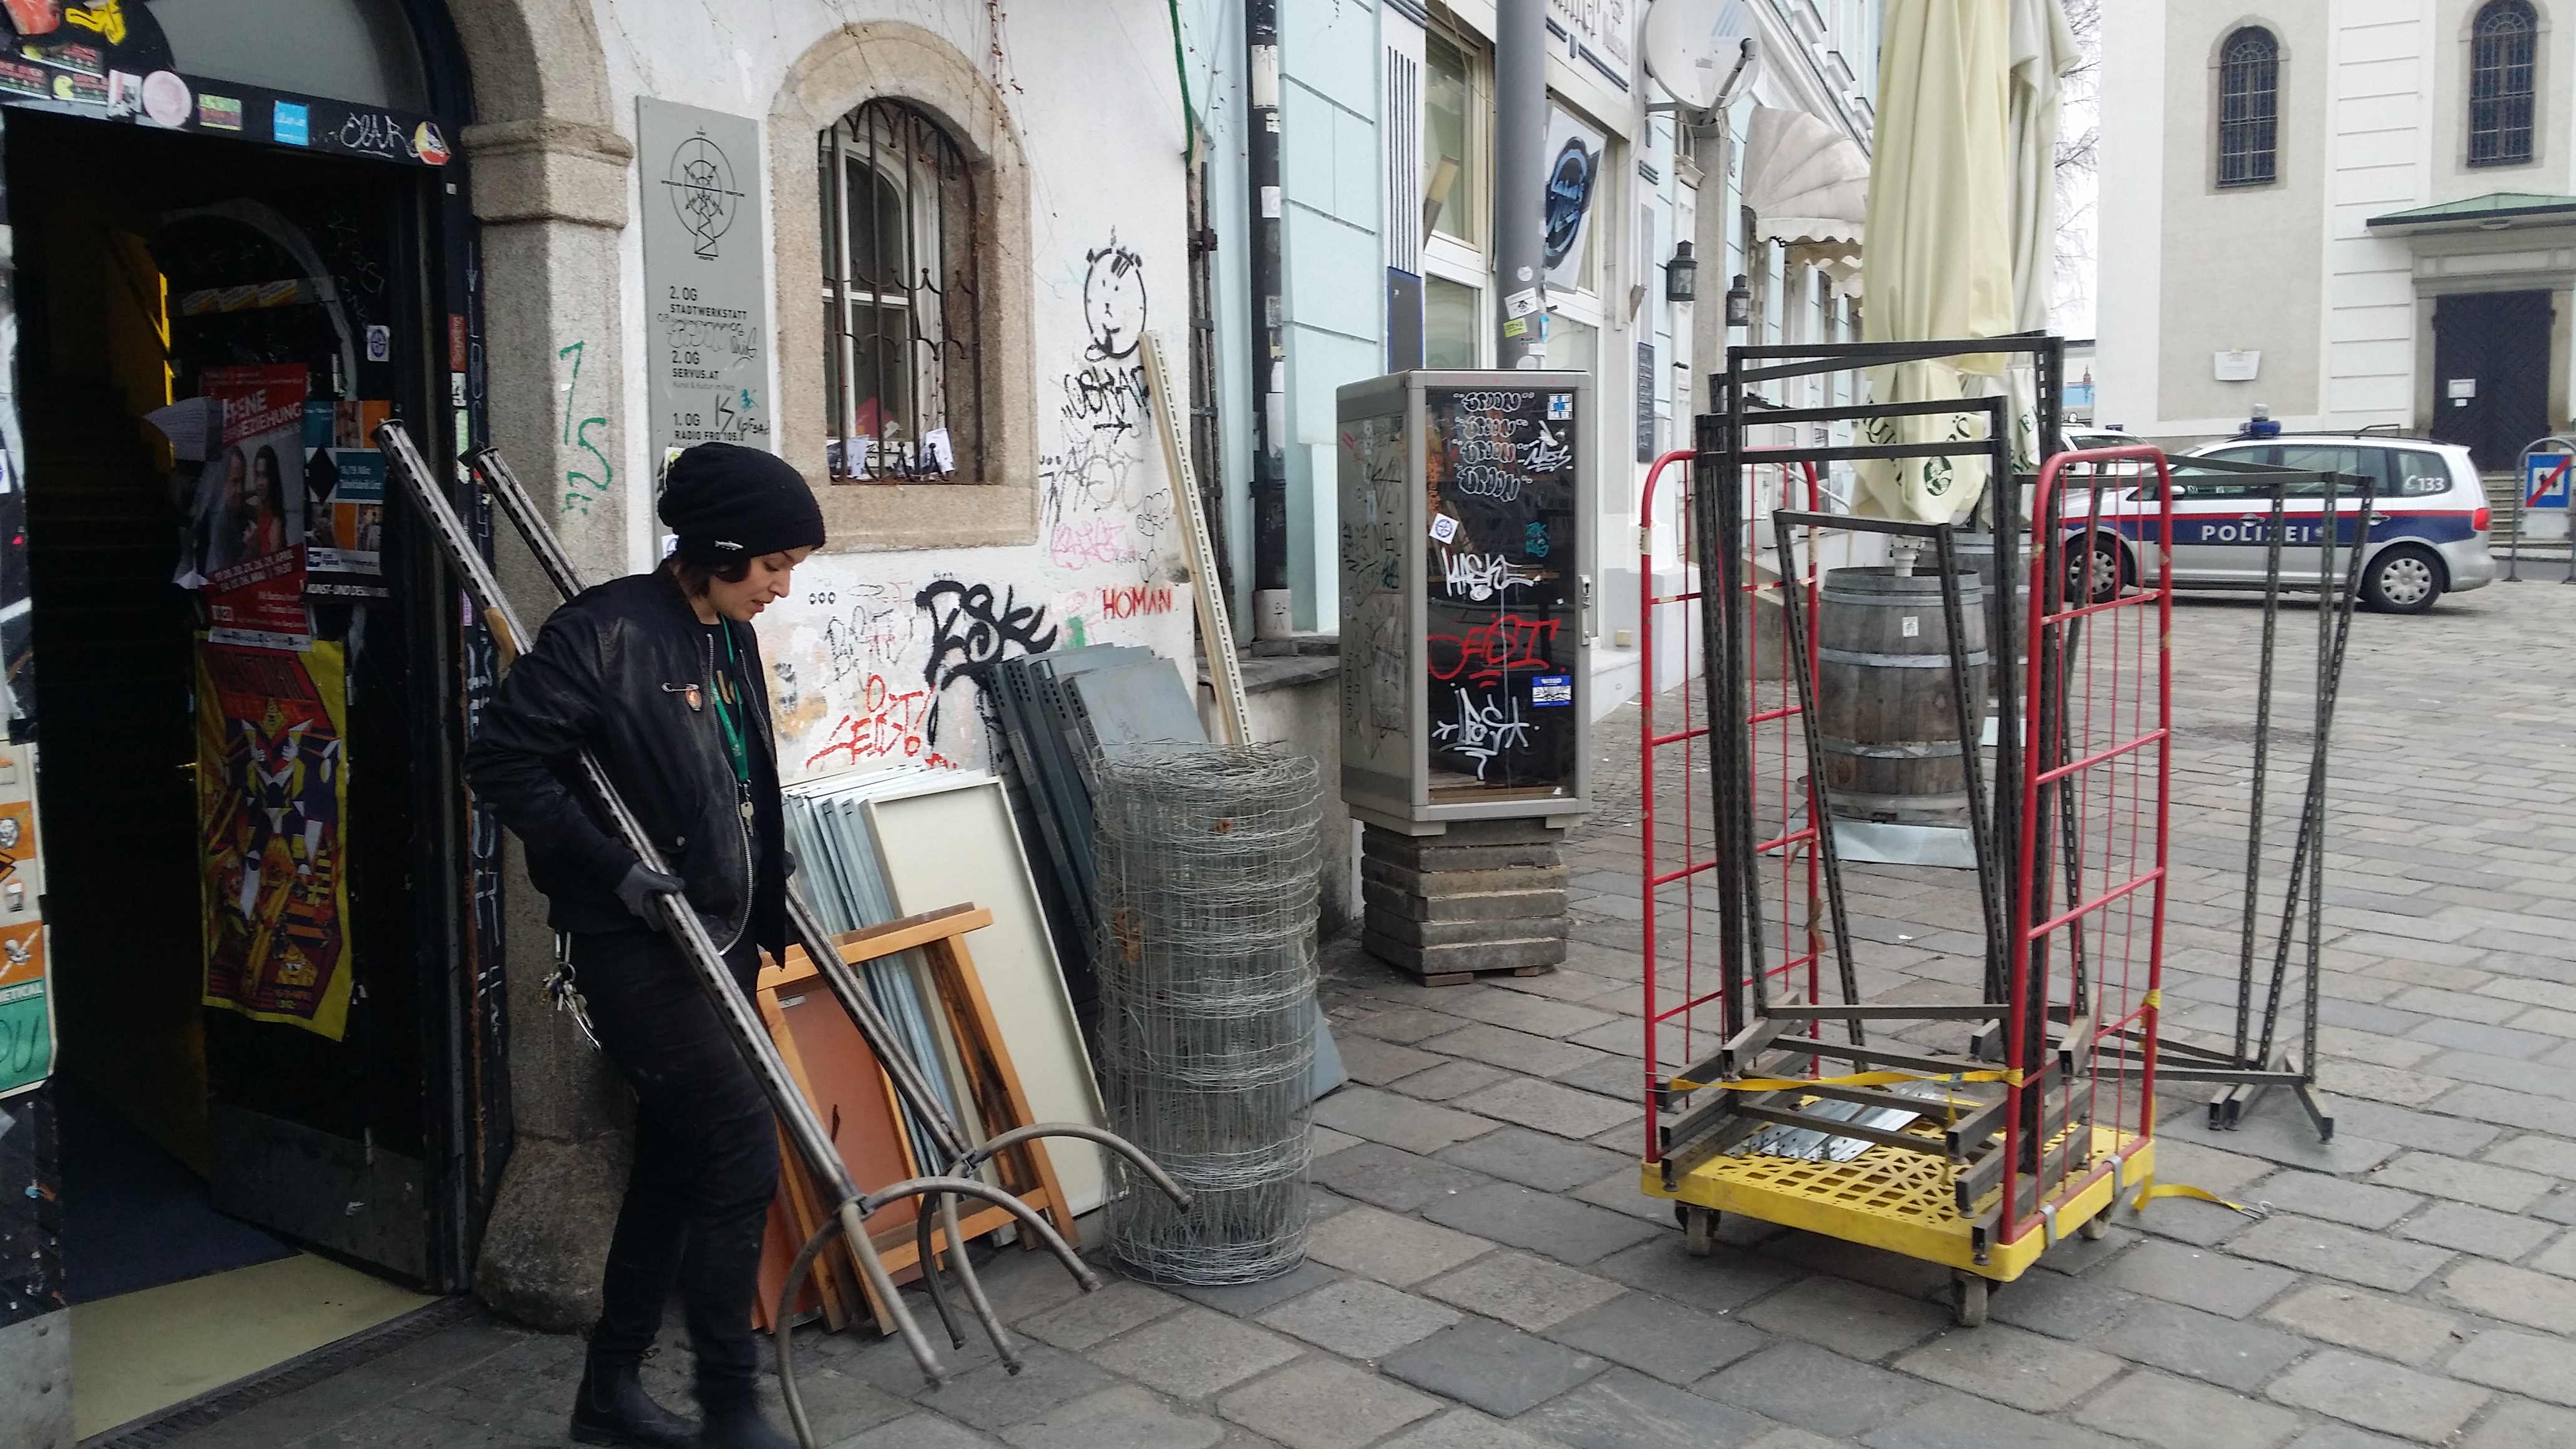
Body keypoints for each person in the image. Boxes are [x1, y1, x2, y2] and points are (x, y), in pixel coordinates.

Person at [466, 442, 822, 1449]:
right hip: (637, 947)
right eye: (771, 565)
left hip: (722, 935)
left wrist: (769, 877)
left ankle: (609, 1394)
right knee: (740, 1144)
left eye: (792, 566)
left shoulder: (728, 632)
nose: (781, 586)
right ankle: (730, 1404)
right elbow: (501, 761)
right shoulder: (604, 632)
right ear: (720, 548)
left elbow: (739, 771)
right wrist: (609, 865)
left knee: (674, 1159)